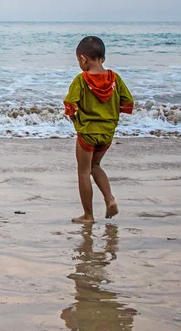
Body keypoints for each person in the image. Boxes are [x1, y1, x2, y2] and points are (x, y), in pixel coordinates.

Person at [64, 36, 134, 224]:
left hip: (87, 134)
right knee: (96, 166)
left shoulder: (81, 80)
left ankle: (88, 215)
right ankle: (109, 199)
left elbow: (70, 105)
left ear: (83, 59)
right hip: (107, 133)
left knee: (84, 172)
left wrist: (74, 119)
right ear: (102, 58)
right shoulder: (114, 78)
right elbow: (127, 103)